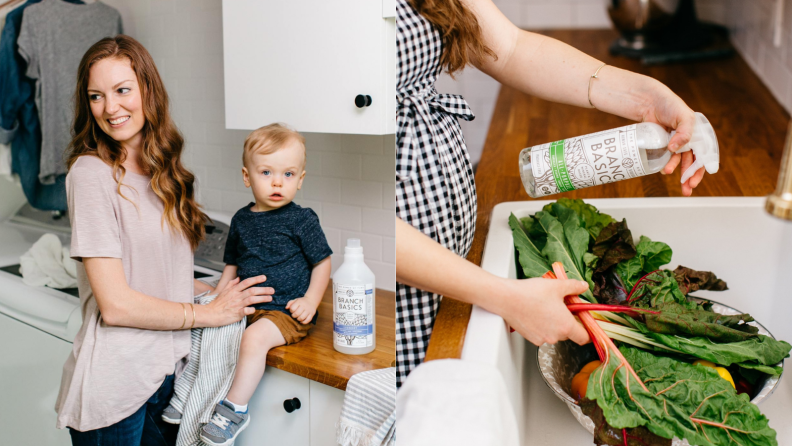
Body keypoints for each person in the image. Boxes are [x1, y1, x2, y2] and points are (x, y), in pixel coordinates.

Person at [395, 0, 708, 386]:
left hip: (449, 270)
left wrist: (646, 97)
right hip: (395, 293)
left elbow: (510, 48)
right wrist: (505, 296)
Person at [56, 35, 273, 446]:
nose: (110, 108)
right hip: (116, 388)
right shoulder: (91, 175)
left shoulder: (165, 171)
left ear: (148, 90)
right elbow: (116, 305)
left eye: (122, 90)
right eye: (96, 96)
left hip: (164, 379)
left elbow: (152, 275)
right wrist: (209, 315)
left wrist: (215, 293)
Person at [176, 124, 332, 446]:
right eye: (266, 172)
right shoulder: (241, 220)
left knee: (254, 338)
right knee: (203, 328)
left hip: (284, 312)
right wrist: (218, 295)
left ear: (300, 180)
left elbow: (323, 263)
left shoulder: (302, 220)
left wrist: (311, 302)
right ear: (247, 176)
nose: (278, 182)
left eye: (288, 174)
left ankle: (234, 410)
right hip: (246, 304)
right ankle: (187, 396)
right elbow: (232, 264)